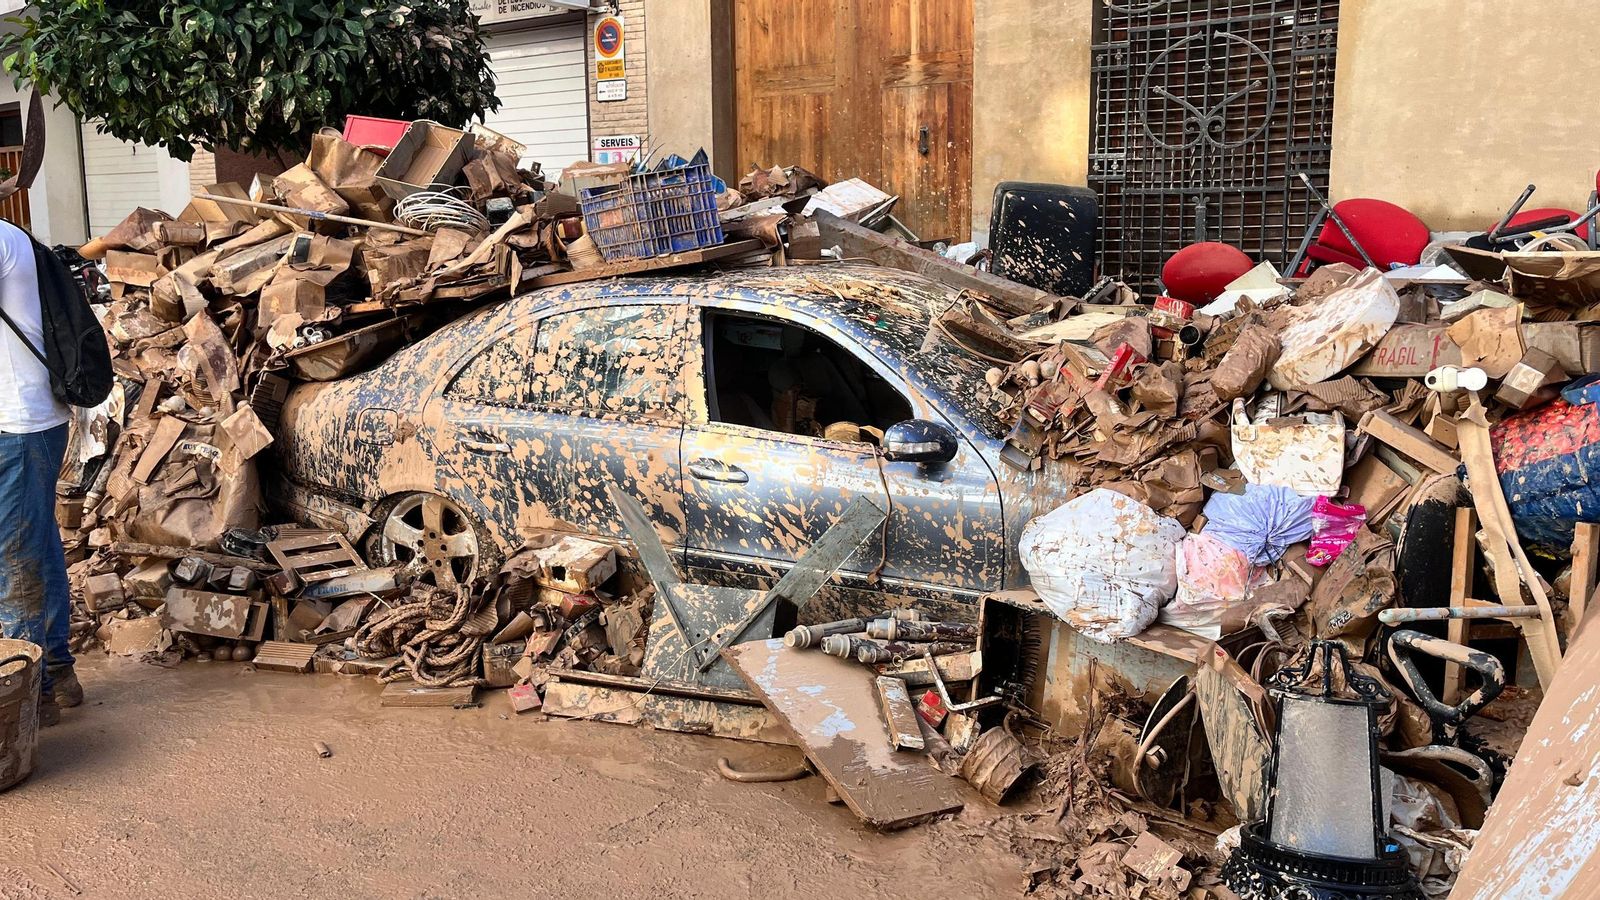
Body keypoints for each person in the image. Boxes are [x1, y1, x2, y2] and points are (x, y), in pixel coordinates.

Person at [0, 217, 80, 727]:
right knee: (36, 543)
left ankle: (30, 698)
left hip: (20, 424)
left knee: (14, 555)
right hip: (26, 420)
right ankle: (55, 668)